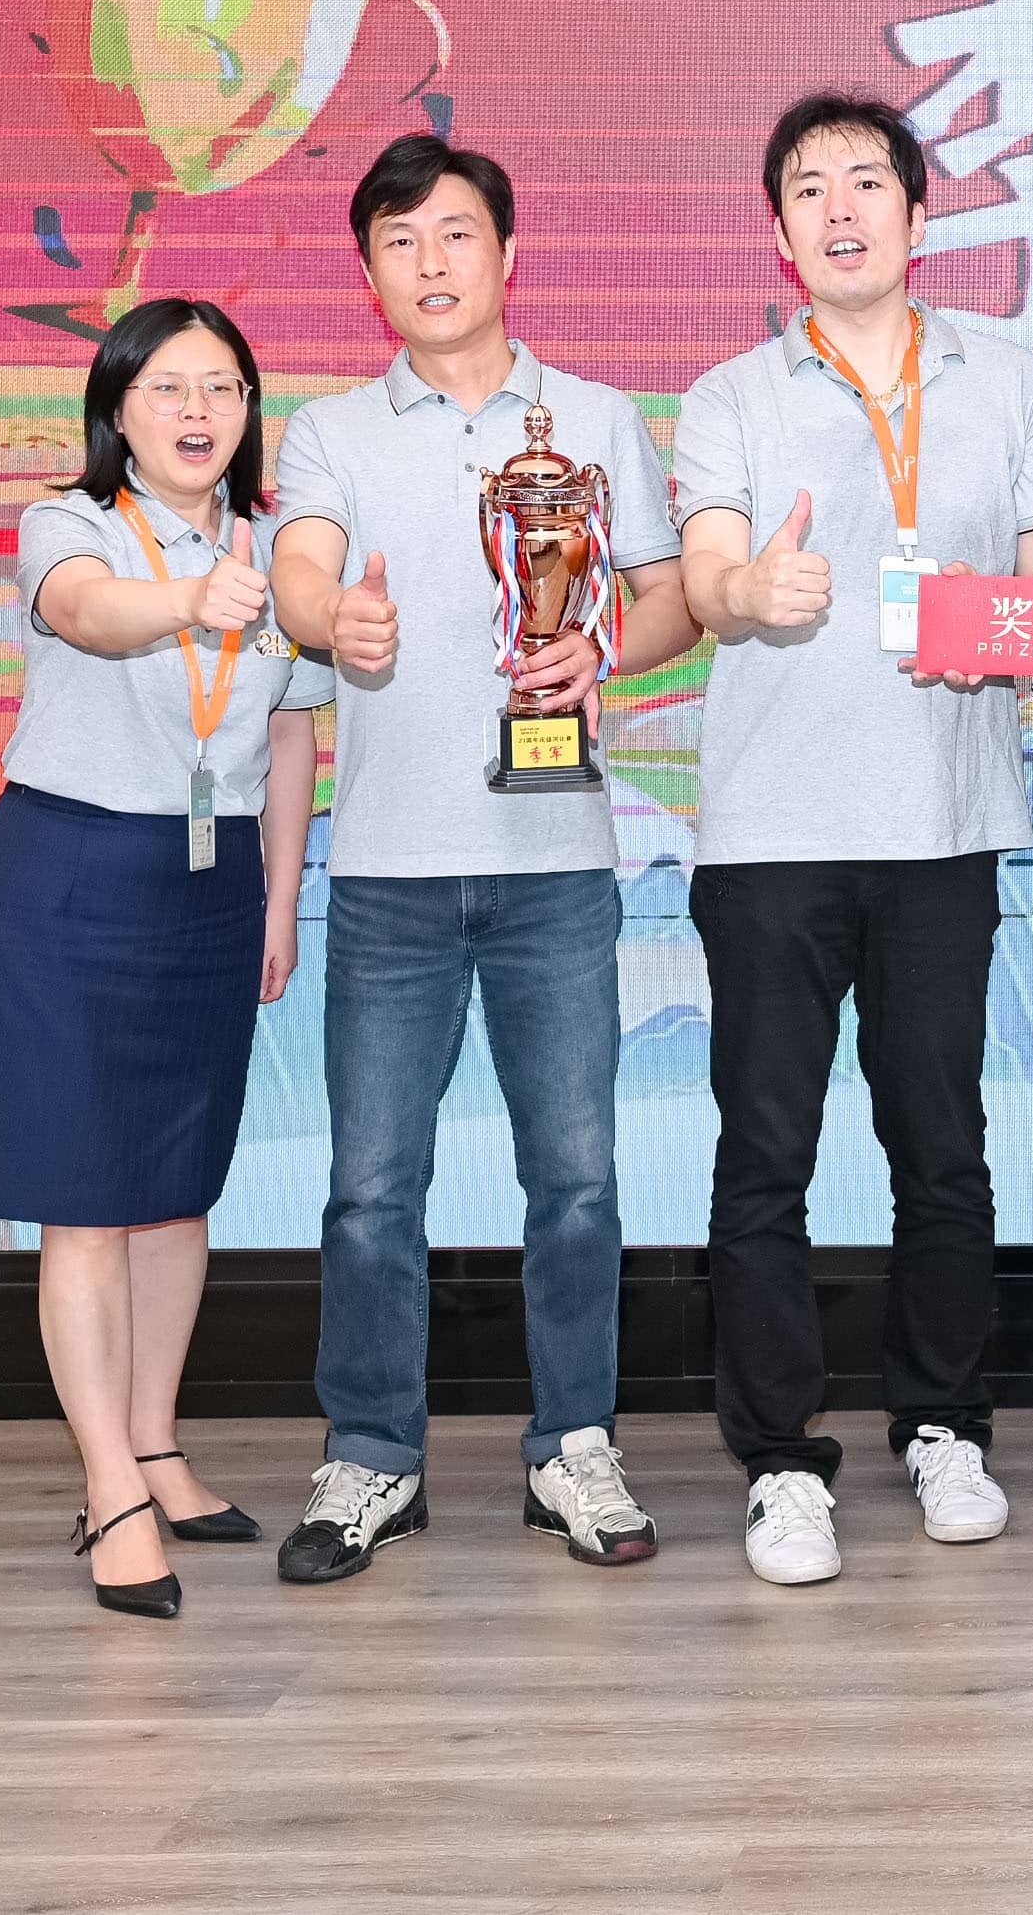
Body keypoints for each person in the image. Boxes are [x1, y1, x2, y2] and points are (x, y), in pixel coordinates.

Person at [265, 134, 695, 1586]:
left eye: (455, 233)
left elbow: (668, 600)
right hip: (390, 870)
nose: (431, 262)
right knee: (371, 1189)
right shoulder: (333, 429)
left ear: (507, 253)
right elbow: (303, 566)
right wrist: (333, 620)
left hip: (555, 864)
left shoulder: (594, 417)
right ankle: (371, 1453)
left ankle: (574, 1443)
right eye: (399, 242)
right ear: (370, 272)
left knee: (575, 1181)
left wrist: (603, 650)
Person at [669, 95, 1033, 1588]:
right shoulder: (729, 395)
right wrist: (748, 593)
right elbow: (707, 576)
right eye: (807, 189)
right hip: (772, 836)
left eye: (865, 183)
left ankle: (944, 1423)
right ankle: (781, 1458)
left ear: (918, 212)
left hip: (944, 829)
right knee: (765, 1154)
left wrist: (1031, 659)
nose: (839, 210)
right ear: (778, 232)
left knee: (944, 1146)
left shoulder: (1009, 381)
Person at [0, 298, 330, 1620]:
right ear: (117, 408)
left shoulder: (279, 552)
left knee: (177, 1187)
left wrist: (280, 904)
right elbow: (90, 615)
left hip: (212, 881)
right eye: (167, 386)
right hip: (70, 872)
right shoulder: (68, 524)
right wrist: (189, 596)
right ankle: (109, 1484)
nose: (197, 411)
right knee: (84, 1193)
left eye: (223, 387)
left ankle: (158, 1443)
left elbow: (288, 739)